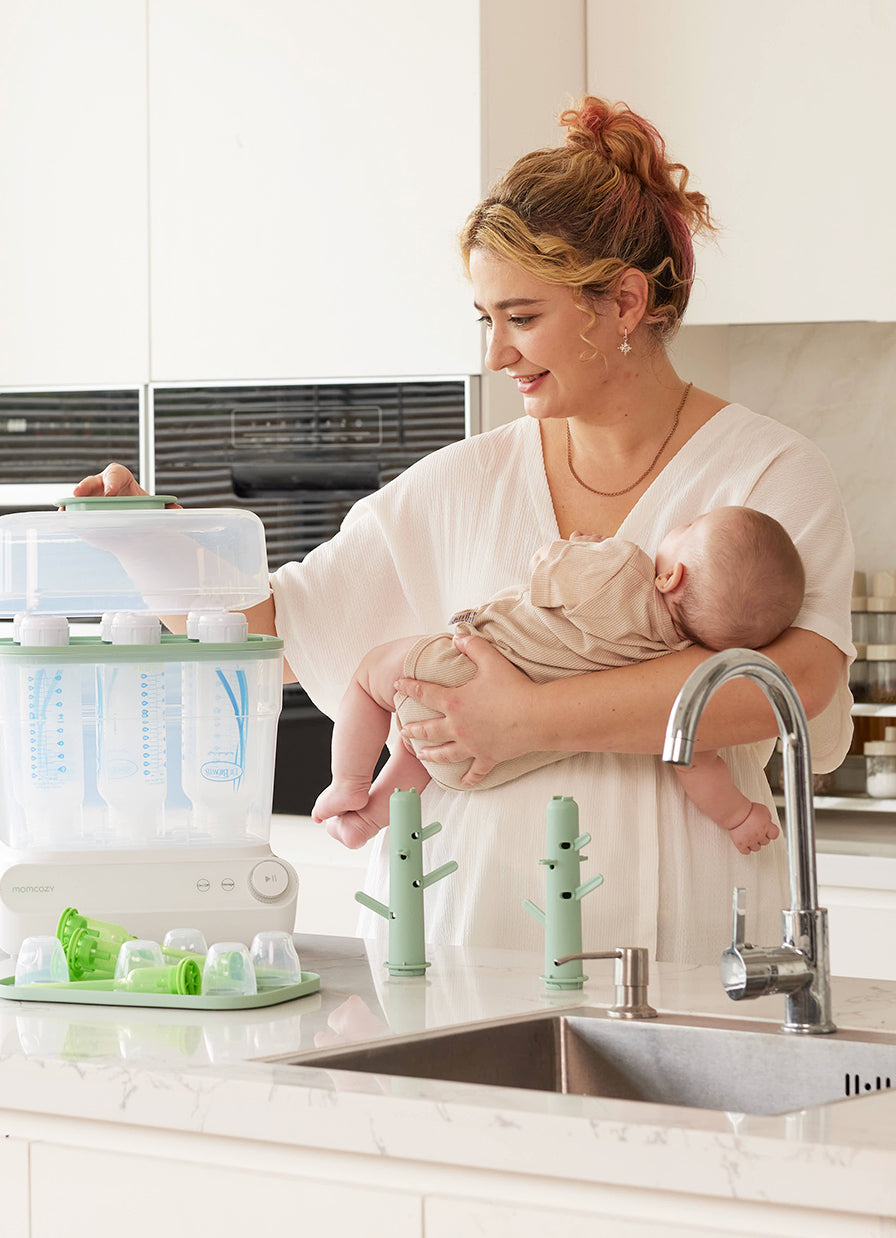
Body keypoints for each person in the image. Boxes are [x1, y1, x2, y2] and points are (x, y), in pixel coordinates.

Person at [75, 96, 854, 965]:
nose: (495, 353)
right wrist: (146, 539)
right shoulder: (461, 482)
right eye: (487, 319)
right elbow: (271, 631)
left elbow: (797, 682)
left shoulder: (766, 472)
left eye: (523, 317)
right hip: (465, 945)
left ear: (626, 303)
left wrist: (526, 719)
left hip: (692, 951)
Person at [312, 506, 803, 858]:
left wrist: (580, 549)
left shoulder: (624, 568)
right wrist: (739, 817)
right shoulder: (680, 673)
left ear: (671, 577)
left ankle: (348, 784)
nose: (680, 525)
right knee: (420, 750)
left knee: (370, 676)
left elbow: (544, 566)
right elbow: (694, 760)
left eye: (689, 528)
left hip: (454, 670)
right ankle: (368, 820)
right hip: (482, 763)